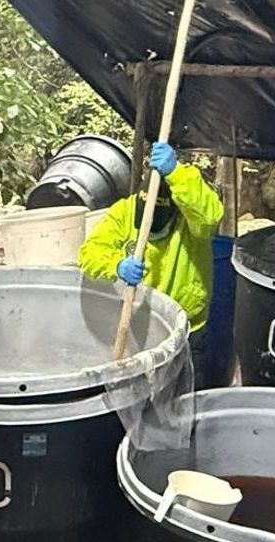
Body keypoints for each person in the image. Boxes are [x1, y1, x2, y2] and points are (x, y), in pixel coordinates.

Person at [78, 141, 225, 387]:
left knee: (181, 398)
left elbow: (211, 214)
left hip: (187, 328)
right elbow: (89, 253)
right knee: (137, 395)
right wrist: (116, 265)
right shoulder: (124, 211)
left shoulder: (190, 220)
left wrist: (176, 172)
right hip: (138, 325)